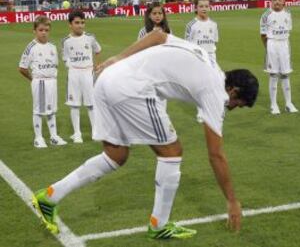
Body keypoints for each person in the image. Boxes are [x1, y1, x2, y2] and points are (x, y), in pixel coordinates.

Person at [32, 31, 259, 239]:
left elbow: (159, 36)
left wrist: (118, 57)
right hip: (132, 88)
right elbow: (216, 155)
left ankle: (49, 198)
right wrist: (232, 201)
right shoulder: (216, 92)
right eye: (239, 103)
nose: (234, 107)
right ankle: (159, 225)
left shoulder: (208, 62)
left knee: (115, 155)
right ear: (233, 90)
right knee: (172, 151)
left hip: (107, 80)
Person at [19, 16, 67, 148]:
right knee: (39, 110)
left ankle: (53, 136)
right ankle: (38, 138)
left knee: (51, 110)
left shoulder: (52, 47)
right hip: (39, 82)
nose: (44, 32)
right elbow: (22, 68)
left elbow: (55, 66)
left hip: (52, 82)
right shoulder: (31, 47)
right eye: (41, 30)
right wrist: (33, 79)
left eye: (46, 30)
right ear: (34, 31)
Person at [61, 11, 102, 143]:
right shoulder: (66, 41)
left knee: (91, 104)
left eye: (82, 22)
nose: (80, 25)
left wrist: (97, 65)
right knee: (74, 105)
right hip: (74, 74)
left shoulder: (90, 37)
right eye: (77, 23)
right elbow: (65, 57)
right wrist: (70, 66)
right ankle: (77, 134)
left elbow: (97, 50)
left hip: (88, 73)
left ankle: (95, 132)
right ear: (70, 25)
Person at [260, 0, 298, 115]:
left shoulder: (288, 14)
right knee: (274, 75)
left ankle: (288, 103)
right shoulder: (266, 15)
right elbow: (263, 36)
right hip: (272, 45)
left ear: (284, 0)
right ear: (270, 1)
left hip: (284, 45)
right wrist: (269, 48)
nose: (277, 1)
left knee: (286, 74)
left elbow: (289, 30)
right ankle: (273, 104)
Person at [185, 0, 218, 65]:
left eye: (206, 6)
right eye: (201, 6)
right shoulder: (191, 25)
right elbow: (187, 44)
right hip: (197, 59)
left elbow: (215, 42)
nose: (204, 9)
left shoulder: (214, 24)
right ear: (195, 8)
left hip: (211, 59)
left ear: (209, 8)